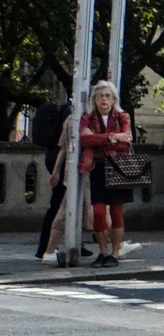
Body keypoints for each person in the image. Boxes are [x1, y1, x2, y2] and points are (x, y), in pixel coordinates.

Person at [78, 82, 135, 266]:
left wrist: (101, 140)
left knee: (117, 211)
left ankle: (115, 253)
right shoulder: (88, 118)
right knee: (99, 212)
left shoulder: (122, 116)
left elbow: (126, 140)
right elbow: (85, 139)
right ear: (94, 99)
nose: (104, 99)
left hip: (118, 166)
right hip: (98, 167)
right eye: (100, 96)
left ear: (113, 99)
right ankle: (102, 252)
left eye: (107, 96)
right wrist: (111, 137)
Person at [29, 86, 77, 262]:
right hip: (62, 160)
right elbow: (65, 144)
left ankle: (59, 243)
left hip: (55, 158)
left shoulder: (66, 110)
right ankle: (46, 247)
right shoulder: (72, 114)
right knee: (59, 204)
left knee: (62, 203)